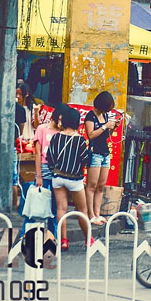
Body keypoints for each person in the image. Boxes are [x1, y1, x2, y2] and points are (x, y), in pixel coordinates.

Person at [43, 105, 93, 250]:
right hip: (75, 179)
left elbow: (50, 157)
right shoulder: (80, 140)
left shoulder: (56, 137)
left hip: (57, 177)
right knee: (82, 211)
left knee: (61, 209)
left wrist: (55, 170)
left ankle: (64, 240)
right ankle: (88, 239)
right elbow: (85, 160)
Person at [83, 91, 118, 226]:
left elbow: (107, 135)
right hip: (95, 153)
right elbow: (90, 135)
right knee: (91, 185)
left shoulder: (105, 115)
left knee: (101, 186)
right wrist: (105, 126)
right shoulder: (90, 116)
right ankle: (90, 214)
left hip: (105, 152)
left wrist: (113, 128)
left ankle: (97, 213)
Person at [29, 101, 61, 235]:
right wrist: (39, 175)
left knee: (55, 206)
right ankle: (28, 234)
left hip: (57, 172)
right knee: (37, 205)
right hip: (43, 168)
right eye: (60, 119)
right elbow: (37, 152)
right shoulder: (42, 129)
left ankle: (53, 236)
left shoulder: (62, 132)